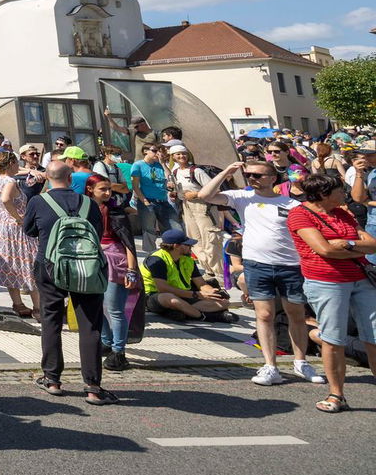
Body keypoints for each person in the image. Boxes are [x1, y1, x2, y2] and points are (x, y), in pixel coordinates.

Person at [186, 160, 324, 385]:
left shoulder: (291, 204)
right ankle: (270, 366)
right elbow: (205, 195)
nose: (252, 179)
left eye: (258, 175)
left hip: (290, 266)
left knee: (296, 314)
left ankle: (301, 362)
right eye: (249, 175)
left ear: (272, 178)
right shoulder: (242, 197)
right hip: (257, 265)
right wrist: (227, 171)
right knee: (264, 315)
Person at [23, 161, 115, 404]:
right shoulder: (89, 203)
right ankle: (93, 386)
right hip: (86, 267)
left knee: (51, 319)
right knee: (90, 324)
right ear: (70, 177)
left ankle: (52, 379)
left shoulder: (39, 201)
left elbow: (29, 230)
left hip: (50, 266)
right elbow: (97, 231)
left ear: (48, 177)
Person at [287, 172, 376, 414]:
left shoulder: (343, 213)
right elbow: (324, 250)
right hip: (327, 281)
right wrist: (354, 248)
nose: (344, 194)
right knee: (333, 339)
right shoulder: (300, 214)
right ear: (324, 193)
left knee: (374, 335)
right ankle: (336, 394)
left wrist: (347, 245)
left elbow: (373, 244)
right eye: (339, 190)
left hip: (361, 279)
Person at [86, 173, 138, 371]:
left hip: (116, 262)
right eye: (103, 189)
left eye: (109, 189)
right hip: (92, 261)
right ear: (91, 190)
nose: (108, 193)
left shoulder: (116, 212)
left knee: (115, 309)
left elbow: (129, 244)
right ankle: (106, 342)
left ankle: (119, 351)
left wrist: (131, 271)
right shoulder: (84, 208)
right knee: (98, 306)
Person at [141, 229, 232, 321]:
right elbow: (163, 289)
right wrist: (197, 295)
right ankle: (206, 316)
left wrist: (212, 292)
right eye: (187, 245)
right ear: (176, 246)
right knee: (172, 300)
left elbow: (201, 284)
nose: (191, 247)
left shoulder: (188, 259)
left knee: (224, 303)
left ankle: (181, 312)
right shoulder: (156, 260)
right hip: (154, 296)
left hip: (183, 294)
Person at [0, 152, 38, 317]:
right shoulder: (9, 181)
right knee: (28, 263)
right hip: (15, 227)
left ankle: (18, 304)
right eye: (17, 163)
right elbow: (5, 199)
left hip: (1, 224)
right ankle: (38, 307)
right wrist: (18, 217)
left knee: (11, 264)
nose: (19, 166)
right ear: (10, 164)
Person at [167, 143, 223, 278]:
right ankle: (208, 269)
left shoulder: (196, 171)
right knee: (194, 239)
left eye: (184, 153)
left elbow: (215, 189)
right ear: (173, 157)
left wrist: (197, 195)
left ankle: (219, 272)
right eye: (178, 154)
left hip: (203, 207)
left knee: (210, 239)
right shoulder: (175, 172)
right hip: (186, 207)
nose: (181, 156)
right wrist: (175, 194)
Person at [130, 143, 176, 253]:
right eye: (155, 150)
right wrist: (144, 201)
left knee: (174, 226)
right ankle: (150, 253)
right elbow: (135, 186)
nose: (158, 153)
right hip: (148, 200)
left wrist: (163, 163)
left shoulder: (159, 164)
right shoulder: (138, 165)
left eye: (160, 151)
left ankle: (170, 251)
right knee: (149, 229)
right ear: (145, 151)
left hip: (163, 201)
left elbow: (169, 177)